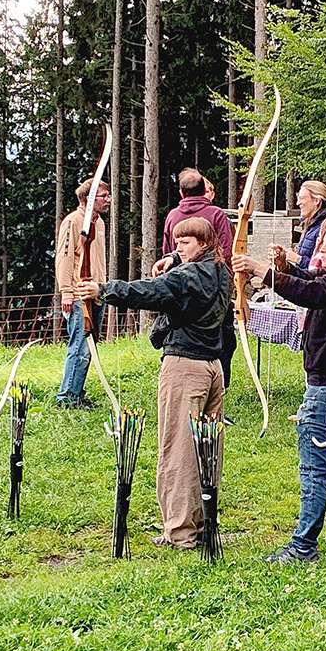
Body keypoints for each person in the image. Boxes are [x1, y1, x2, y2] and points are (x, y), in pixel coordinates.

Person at [233, 217, 326, 564]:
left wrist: (261, 270)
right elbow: (310, 281)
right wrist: (283, 267)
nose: (321, 247)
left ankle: (303, 546)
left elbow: (313, 293)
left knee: (315, 468)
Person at [78, 217, 231, 549]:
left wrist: (103, 291)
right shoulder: (221, 271)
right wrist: (175, 258)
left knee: (178, 451)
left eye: (184, 242)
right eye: (176, 242)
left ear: (203, 244)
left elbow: (150, 291)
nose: (177, 247)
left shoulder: (187, 276)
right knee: (206, 449)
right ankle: (203, 524)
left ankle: (179, 533)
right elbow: (181, 280)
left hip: (185, 368)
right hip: (213, 368)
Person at [159, 168, 236, 390]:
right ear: (205, 190)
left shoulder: (173, 215)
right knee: (222, 341)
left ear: (182, 193)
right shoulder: (216, 214)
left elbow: (168, 253)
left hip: (181, 291)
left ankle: (184, 388)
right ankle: (216, 394)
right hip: (212, 291)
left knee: (180, 337)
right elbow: (226, 253)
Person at [55, 177, 111, 408]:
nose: (108, 200)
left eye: (108, 196)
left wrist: (102, 288)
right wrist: (67, 292)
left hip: (95, 292)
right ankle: (67, 396)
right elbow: (65, 257)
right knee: (79, 346)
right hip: (78, 294)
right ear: (87, 200)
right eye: (103, 196)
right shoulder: (73, 222)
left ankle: (76, 392)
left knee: (90, 347)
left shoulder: (99, 223)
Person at [285, 180, 326, 270]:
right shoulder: (311, 225)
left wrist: (297, 259)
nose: (298, 203)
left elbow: (324, 268)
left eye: (301, 198)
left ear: (316, 201)